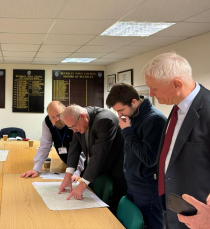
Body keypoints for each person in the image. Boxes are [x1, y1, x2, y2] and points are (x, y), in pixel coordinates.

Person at [142, 52, 210, 229]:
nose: (151, 94)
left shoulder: (207, 109)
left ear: (176, 84)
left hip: (200, 215)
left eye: (154, 89)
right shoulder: (176, 109)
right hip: (173, 206)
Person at [106, 83, 166, 228]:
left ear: (133, 101)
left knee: (151, 224)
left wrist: (126, 131)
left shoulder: (154, 119)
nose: (120, 115)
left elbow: (149, 159)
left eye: (121, 110)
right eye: (116, 111)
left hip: (147, 186)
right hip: (133, 182)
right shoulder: (133, 114)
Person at [58, 104, 126, 214]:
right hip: (99, 170)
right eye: (71, 128)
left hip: (116, 171)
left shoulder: (104, 120)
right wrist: (68, 175)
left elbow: (98, 155)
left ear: (83, 116)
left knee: (113, 210)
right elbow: (74, 147)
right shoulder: (78, 121)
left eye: (74, 126)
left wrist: (83, 184)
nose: (74, 131)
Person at [20, 101, 85, 181]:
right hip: (67, 163)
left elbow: (80, 148)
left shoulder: (73, 118)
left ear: (65, 110)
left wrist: (77, 171)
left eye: (59, 115)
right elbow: (45, 145)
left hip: (83, 166)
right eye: (53, 117)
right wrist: (36, 169)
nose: (57, 119)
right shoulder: (47, 123)